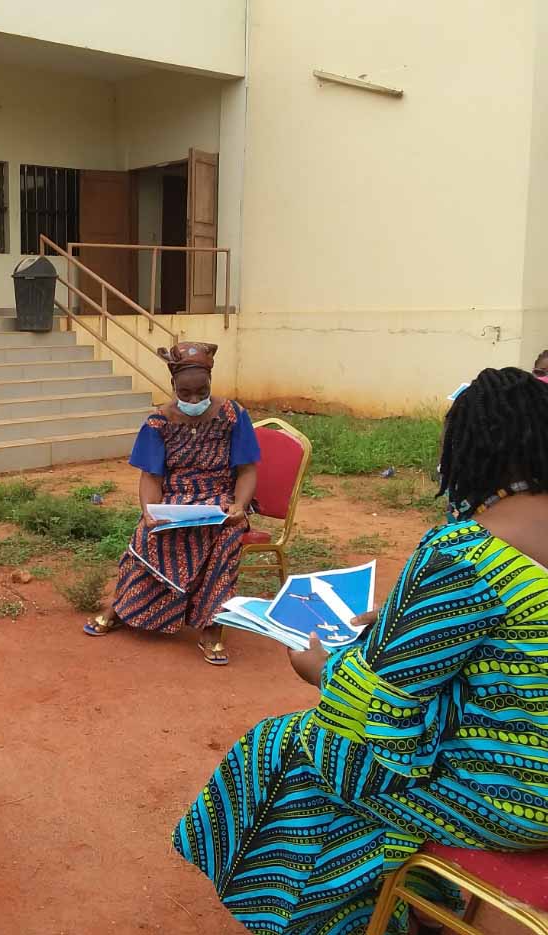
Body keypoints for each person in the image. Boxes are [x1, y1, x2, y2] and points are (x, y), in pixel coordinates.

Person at [173, 366, 548, 934]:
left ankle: (346, 916)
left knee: (292, 748)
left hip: (513, 795)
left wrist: (322, 669)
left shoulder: (467, 553)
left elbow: (383, 702)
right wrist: (404, 623)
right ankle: (418, 899)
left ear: (470, 450)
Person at [83, 341, 260, 665]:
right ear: (173, 386)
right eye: (185, 393)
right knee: (147, 534)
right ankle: (121, 607)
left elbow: (247, 469)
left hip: (220, 499)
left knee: (226, 537)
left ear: (210, 382)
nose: (193, 400)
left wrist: (239, 505)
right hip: (175, 498)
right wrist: (150, 512)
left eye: (201, 392)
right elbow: (151, 476)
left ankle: (212, 626)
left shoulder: (233, 415)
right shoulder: (158, 422)